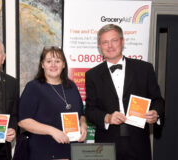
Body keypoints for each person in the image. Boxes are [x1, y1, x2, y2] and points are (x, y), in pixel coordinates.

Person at [85, 24, 164, 160]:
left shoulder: (144, 69)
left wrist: (155, 113)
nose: (110, 46)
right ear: (99, 46)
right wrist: (107, 118)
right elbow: (90, 110)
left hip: (139, 142)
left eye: (114, 40)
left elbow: (158, 100)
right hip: (106, 143)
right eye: (105, 42)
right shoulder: (92, 75)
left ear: (122, 42)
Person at [18, 46, 87, 160]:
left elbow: (81, 115)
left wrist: (83, 125)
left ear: (63, 64)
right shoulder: (33, 87)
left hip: (71, 150)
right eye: (49, 61)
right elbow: (23, 121)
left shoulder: (72, 86)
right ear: (42, 64)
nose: (53, 65)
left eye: (57, 61)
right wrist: (52, 131)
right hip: (44, 150)